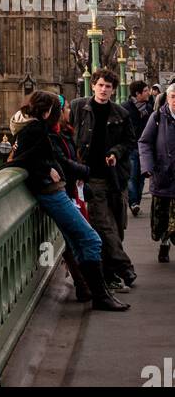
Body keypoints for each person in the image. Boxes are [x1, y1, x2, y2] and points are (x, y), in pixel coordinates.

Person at [7, 90, 128, 311]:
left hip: (54, 191)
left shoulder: (35, 128)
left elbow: (34, 157)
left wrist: (50, 166)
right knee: (91, 240)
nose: (66, 112)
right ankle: (101, 296)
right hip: (52, 193)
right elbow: (21, 160)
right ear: (48, 112)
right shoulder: (35, 129)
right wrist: (47, 168)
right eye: (61, 109)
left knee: (77, 242)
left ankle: (95, 292)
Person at [70, 70, 137, 291]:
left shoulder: (120, 113)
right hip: (92, 176)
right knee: (103, 223)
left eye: (108, 86)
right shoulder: (80, 107)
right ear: (93, 86)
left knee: (117, 227)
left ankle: (110, 274)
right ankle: (125, 267)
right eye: (100, 85)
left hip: (116, 177)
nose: (103, 89)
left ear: (113, 89)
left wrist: (115, 153)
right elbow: (69, 136)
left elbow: (129, 142)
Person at [50, 95, 92, 301]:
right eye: (65, 108)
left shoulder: (65, 133)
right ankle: (86, 285)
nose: (69, 111)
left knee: (76, 238)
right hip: (61, 194)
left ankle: (86, 284)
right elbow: (62, 162)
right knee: (80, 238)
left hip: (72, 191)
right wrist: (86, 171)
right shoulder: (51, 136)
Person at [139, 80, 175, 263]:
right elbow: (144, 142)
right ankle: (164, 242)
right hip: (163, 175)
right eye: (173, 97)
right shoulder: (158, 117)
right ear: (167, 98)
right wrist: (148, 166)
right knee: (162, 217)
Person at [126, 80, 153, 216]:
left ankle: (137, 201)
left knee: (142, 177)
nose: (148, 92)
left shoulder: (149, 108)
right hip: (131, 147)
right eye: (146, 90)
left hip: (145, 148)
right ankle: (133, 202)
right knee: (132, 176)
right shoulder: (126, 108)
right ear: (138, 94)